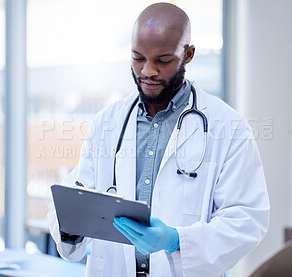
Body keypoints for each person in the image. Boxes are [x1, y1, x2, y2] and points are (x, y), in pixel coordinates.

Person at [48, 3, 269, 277]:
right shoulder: (108, 122)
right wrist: (69, 225)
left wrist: (177, 241)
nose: (148, 71)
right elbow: (77, 193)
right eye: (138, 58)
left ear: (188, 54)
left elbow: (247, 220)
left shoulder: (229, 127)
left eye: (163, 60)